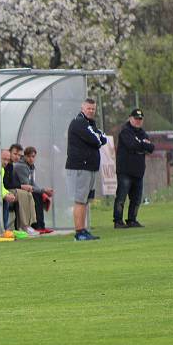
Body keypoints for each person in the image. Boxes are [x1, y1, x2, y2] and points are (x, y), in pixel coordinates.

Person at [65, 98, 107, 241]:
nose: (91, 111)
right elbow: (96, 139)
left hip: (90, 167)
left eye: (93, 109)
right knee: (80, 200)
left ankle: (83, 230)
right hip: (80, 167)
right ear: (82, 108)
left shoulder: (91, 124)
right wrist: (98, 138)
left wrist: (99, 137)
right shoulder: (79, 122)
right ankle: (79, 232)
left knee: (85, 200)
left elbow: (103, 137)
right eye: (88, 108)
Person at [113, 108, 154, 228]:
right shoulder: (125, 131)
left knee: (136, 199)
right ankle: (118, 221)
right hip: (125, 171)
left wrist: (142, 144)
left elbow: (151, 147)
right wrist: (143, 144)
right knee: (121, 197)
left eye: (140, 119)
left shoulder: (143, 133)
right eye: (136, 119)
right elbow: (132, 145)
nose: (138, 121)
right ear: (130, 118)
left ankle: (132, 219)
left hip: (138, 171)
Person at [14, 146, 54, 233]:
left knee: (39, 195)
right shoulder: (21, 166)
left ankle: (41, 226)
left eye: (33, 156)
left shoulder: (30, 166)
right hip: (18, 190)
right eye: (29, 156)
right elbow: (27, 184)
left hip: (25, 190)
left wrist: (42, 191)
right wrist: (43, 190)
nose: (31, 159)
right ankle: (37, 226)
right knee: (37, 195)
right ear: (24, 156)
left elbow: (32, 183)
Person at [0, 149, 38, 233]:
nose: (17, 156)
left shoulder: (10, 166)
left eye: (19, 155)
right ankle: (23, 226)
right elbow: (6, 184)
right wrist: (21, 186)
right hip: (5, 190)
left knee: (28, 194)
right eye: (15, 154)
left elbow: (13, 183)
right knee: (23, 194)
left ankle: (28, 224)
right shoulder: (18, 166)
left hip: (8, 190)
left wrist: (42, 191)